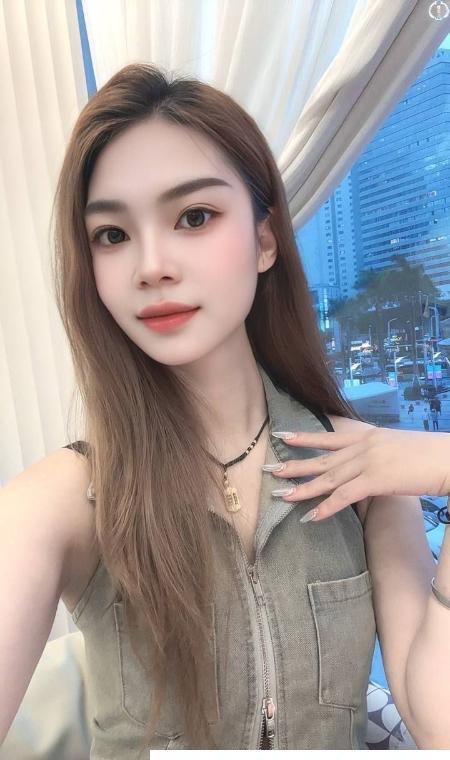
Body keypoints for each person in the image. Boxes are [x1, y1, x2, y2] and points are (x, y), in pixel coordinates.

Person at [1, 63, 450, 755]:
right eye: (112, 235)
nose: (151, 265)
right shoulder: (66, 499)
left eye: (194, 217)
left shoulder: (360, 471)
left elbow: (436, 721)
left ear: (265, 241)